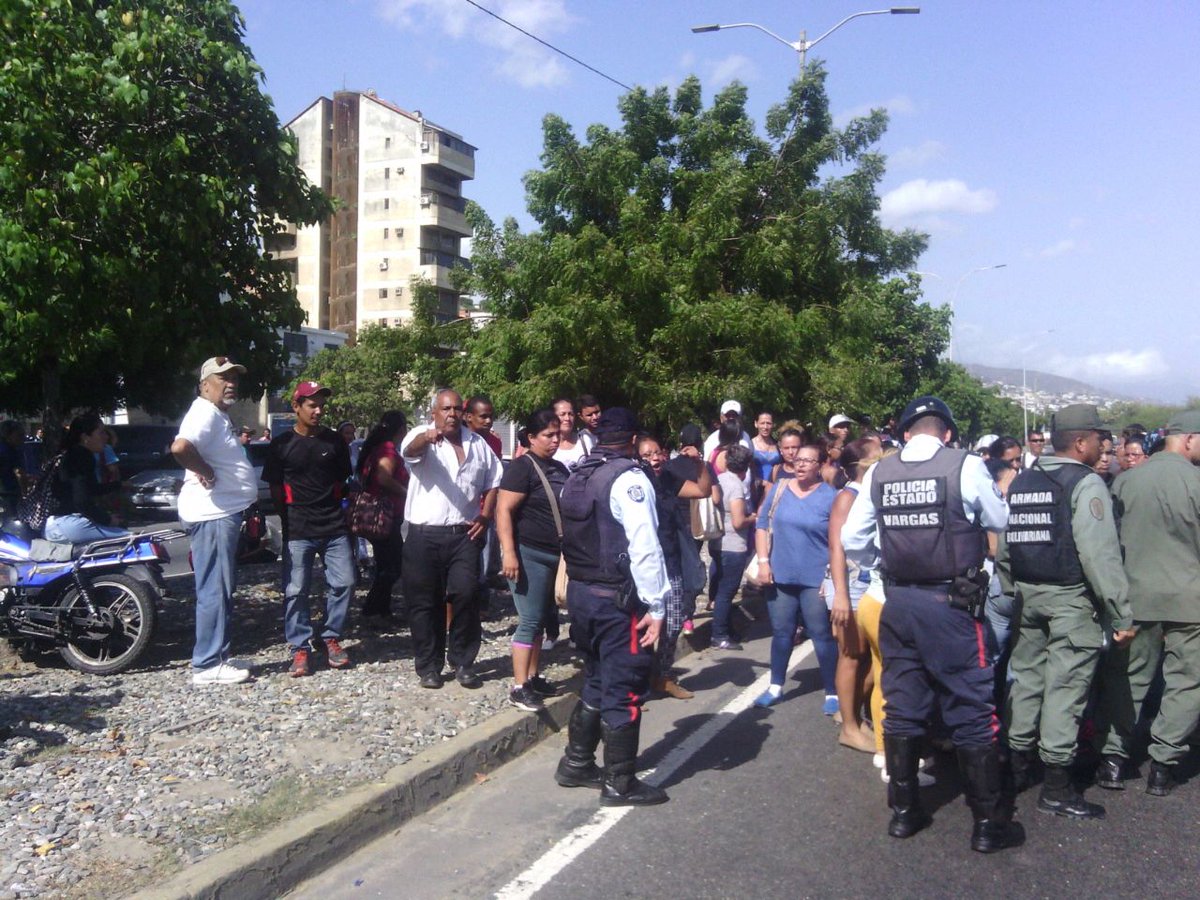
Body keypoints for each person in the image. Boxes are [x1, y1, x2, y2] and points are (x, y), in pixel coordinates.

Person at [841, 395, 1021, 854]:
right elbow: (999, 518)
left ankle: (904, 813)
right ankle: (986, 823)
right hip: (952, 605)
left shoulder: (880, 470)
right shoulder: (964, 464)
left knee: (902, 703)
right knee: (971, 705)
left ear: (904, 432)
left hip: (898, 601)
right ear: (945, 432)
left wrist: (882, 566)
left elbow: (851, 539)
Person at [1000, 404, 1133, 820]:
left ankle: (1018, 766)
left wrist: (1011, 592)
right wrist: (1121, 613)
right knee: (1065, 688)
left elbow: (1006, 549)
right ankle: (1057, 786)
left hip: (1028, 595)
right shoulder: (1086, 483)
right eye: (1099, 438)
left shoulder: (1022, 481)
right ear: (1081, 442)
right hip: (1070, 600)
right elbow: (1100, 556)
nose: (1103, 445)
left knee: (1026, 681)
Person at [554, 407, 670, 806]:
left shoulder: (579, 474)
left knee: (597, 677)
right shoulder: (629, 479)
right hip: (616, 600)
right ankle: (620, 781)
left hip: (582, 594)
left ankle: (577, 762)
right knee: (625, 686)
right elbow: (645, 546)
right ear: (633, 438)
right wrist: (657, 606)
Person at [1092, 410, 1200, 796]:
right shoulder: (1196, 481)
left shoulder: (1125, 481)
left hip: (1135, 598)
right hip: (1190, 599)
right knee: (1186, 681)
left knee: (1129, 678)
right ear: (1188, 439)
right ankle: (1163, 765)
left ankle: (1113, 760)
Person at [401, 389, 502, 689]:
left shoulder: (478, 444)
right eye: (446, 409)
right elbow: (410, 451)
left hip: (463, 535)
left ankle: (462, 660)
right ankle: (428, 666)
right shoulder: (422, 435)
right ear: (434, 412)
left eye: (458, 409)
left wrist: (486, 515)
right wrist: (427, 438)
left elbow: (494, 481)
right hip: (424, 534)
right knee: (424, 603)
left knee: (467, 595)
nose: (452, 414)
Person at [171, 357, 259, 686]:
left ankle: (217, 655)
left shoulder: (216, 415)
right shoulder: (203, 413)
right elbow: (180, 448)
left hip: (220, 513)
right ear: (205, 384)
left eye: (234, 377)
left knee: (221, 587)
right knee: (214, 589)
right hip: (212, 514)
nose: (231, 382)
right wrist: (205, 471)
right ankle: (207, 664)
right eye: (223, 378)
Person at [262, 382, 355, 677]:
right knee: (295, 590)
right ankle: (299, 646)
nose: (318, 410)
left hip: (333, 526)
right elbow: (276, 489)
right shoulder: (281, 445)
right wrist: (287, 518)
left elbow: (343, 483)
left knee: (345, 583)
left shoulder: (334, 442)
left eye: (321, 405)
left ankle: (329, 637)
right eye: (311, 405)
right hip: (298, 528)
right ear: (296, 407)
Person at [752, 441, 839, 711]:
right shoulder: (779, 489)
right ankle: (776, 685)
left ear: (820, 466)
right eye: (798, 459)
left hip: (815, 578)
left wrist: (833, 577)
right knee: (781, 632)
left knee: (820, 632)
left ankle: (832, 692)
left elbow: (838, 540)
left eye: (808, 460)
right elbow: (762, 524)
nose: (800, 464)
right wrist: (764, 562)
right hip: (781, 574)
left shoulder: (831, 496)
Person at [496, 408, 569, 712]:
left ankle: (533, 676)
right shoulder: (522, 468)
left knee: (539, 619)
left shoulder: (559, 469)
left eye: (557, 434)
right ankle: (518, 686)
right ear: (531, 437)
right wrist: (509, 553)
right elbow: (503, 510)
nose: (554, 440)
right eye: (547, 435)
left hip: (555, 556)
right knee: (528, 620)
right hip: (529, 554)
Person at [637, 433, 710, 698]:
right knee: (643, 624)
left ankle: (663, 675)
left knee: (675, 618)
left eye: (657, 452)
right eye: (646, 454)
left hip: (671, 560)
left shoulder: (668, 479)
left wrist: (699, 463)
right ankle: (638, 684)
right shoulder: (633, 482)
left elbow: (703, 490)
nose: (654, 458)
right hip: (643, 566)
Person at [826, 438, 882, 753]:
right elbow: (837, 547)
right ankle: (849, 725)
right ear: (861, 464)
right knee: (851, 656)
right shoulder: (848, 497)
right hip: (850, 584)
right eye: (877, 453)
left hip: (870, 583)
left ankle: (853, 713)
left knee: (872, 658)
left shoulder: (873, 491)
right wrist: (841, 596)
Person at [44, 413, 129, 544]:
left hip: (54, 525)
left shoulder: (69, 454)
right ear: (85, 437)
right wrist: (107, 519)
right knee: (133, 540)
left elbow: (91, 489)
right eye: (101, 433)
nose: (106, 437)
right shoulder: (81, 456)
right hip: (69, 523)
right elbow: (81, 500)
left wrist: (119, 485)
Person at [356, 411, 409, 619]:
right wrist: (408, 493)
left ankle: (381, 610)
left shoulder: (377, 447)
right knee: (393, 566)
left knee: (385, 564)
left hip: (381, 515)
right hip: (385, 516)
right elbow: (384, 478)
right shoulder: (387, 449)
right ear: (401, 429)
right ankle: (373, 608)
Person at [711, 444, 756, 652]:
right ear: (745, 466)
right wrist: (753, 517)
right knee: (726, 592)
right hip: (733, 544)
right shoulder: (736, 486)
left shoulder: (719, 480)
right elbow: (739, 521)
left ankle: (725, 630)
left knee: (721, 589)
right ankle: (719, 634)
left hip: (718, 542)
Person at [464, 395, 504, 618]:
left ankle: (481, 606)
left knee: (485, 562)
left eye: (491, 416)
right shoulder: (459, 440)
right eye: (483, 417)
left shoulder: (495, 442)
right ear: (469, 417)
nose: (488, 421)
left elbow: (494, 479)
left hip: (485, 511)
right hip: (463, 511)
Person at [551, 397, 593, 471]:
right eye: (562, 414)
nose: (567, 418)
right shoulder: (548, 446)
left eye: (570, 414)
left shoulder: (585, 440)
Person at [0, 420, 27, 518]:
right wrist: (25, 494)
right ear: (8, 435)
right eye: (20, 435)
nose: (23, 438)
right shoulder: (12, 452)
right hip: (10, 495)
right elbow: (19, 473)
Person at [751, 411, 782, 482]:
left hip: (774, 486)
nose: (765, 427)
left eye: (768, 423)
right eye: (762, 423)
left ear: (773, 425)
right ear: (756, 424)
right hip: (756, 488)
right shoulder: (750, 445)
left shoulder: (777, 445)